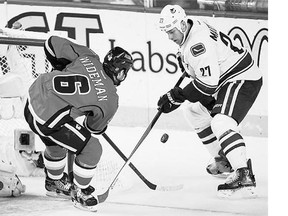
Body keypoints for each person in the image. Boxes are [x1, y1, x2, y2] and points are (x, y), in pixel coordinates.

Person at [157, 5, 262, 198]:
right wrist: (180, 94)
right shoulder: (191, 27)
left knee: (221, 121)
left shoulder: (197, 44)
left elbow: (208, 85)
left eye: (171, 32)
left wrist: (176, 96)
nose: (170, 37)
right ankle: (225, 160)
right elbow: (202, 75)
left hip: (242, 78)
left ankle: (243, 174)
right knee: (193, 111)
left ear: (181, 24)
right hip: (226, 80)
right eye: (167, 33)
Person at [24, 35, 133, 211]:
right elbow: (92, 129)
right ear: (121, 72)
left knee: (58, 141)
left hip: (31, 98)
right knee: (92, 149)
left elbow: (51, 43)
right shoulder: (111, 99)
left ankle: (54, 183)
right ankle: (81, 192)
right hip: (46, 119)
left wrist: (62, 68)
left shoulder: (89, 57)